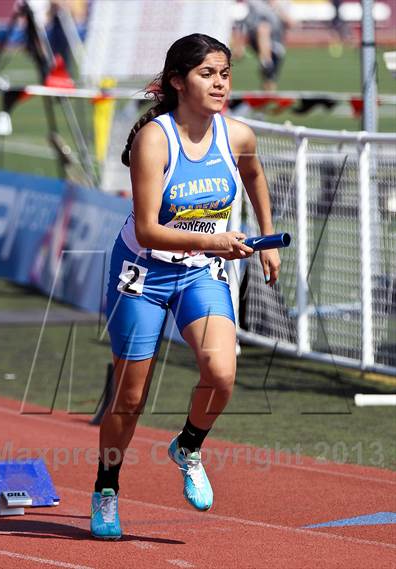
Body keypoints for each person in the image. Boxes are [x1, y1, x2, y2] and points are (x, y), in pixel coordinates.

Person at [90, 33, 281, 539]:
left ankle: (189, 445)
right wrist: (216, 241)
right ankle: (107, 488)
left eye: (224, 73)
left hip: (200, 270)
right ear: (177, 81)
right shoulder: (155, 138)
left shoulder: (236, 135)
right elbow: (150, 229)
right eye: (206, 74)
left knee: (221, 373)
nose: (219, 84)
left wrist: (268, 236)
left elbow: (254, 176)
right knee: (130, 397)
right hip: (143, 271)